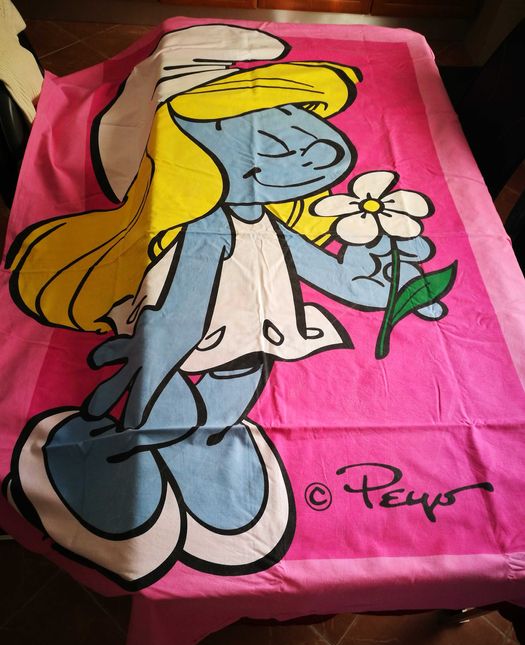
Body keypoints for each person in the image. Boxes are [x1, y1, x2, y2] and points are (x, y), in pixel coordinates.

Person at [4, 24, 439, 589]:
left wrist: (386, 289)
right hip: (186, 360)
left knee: (215, 421)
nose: (302, 145)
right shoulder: (207, 230)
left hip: (244, 360)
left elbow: (329, 273)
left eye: (293, 116)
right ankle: (103, 461)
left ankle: (197, 459)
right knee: (157, 421)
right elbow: (182, 309)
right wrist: (154, 356)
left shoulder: (267, 222)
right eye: (242, 131)